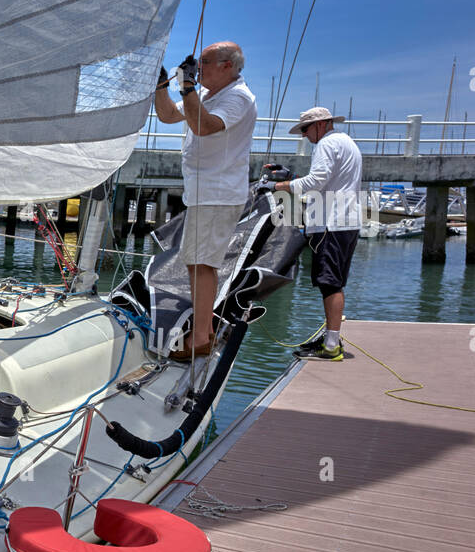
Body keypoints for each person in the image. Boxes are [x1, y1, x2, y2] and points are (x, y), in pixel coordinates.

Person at [153, 41, 257, 360]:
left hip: (218, 192)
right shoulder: (211, 96)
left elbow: (203, 126)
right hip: (206, 193)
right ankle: (204, 332)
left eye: (205, 62)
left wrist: (187, 86)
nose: (198, 68)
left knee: (201, 263)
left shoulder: (238, 97)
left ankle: (200, 338)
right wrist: (160, 83)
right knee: (197, 262)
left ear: (228, 66)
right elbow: (169, 114)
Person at [268, 107, 362, 362]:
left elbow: (316, 182)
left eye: (306, 129)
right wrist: (290, 176)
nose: (305, 136)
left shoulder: (326, 144)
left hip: (330, 223)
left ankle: (331, 345)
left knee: (330, 283)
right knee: (334, 282)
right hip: (347, 222)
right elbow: (328, 178)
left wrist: (277, 186)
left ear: (321, 125)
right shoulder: (347, 142)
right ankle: (331, 339)